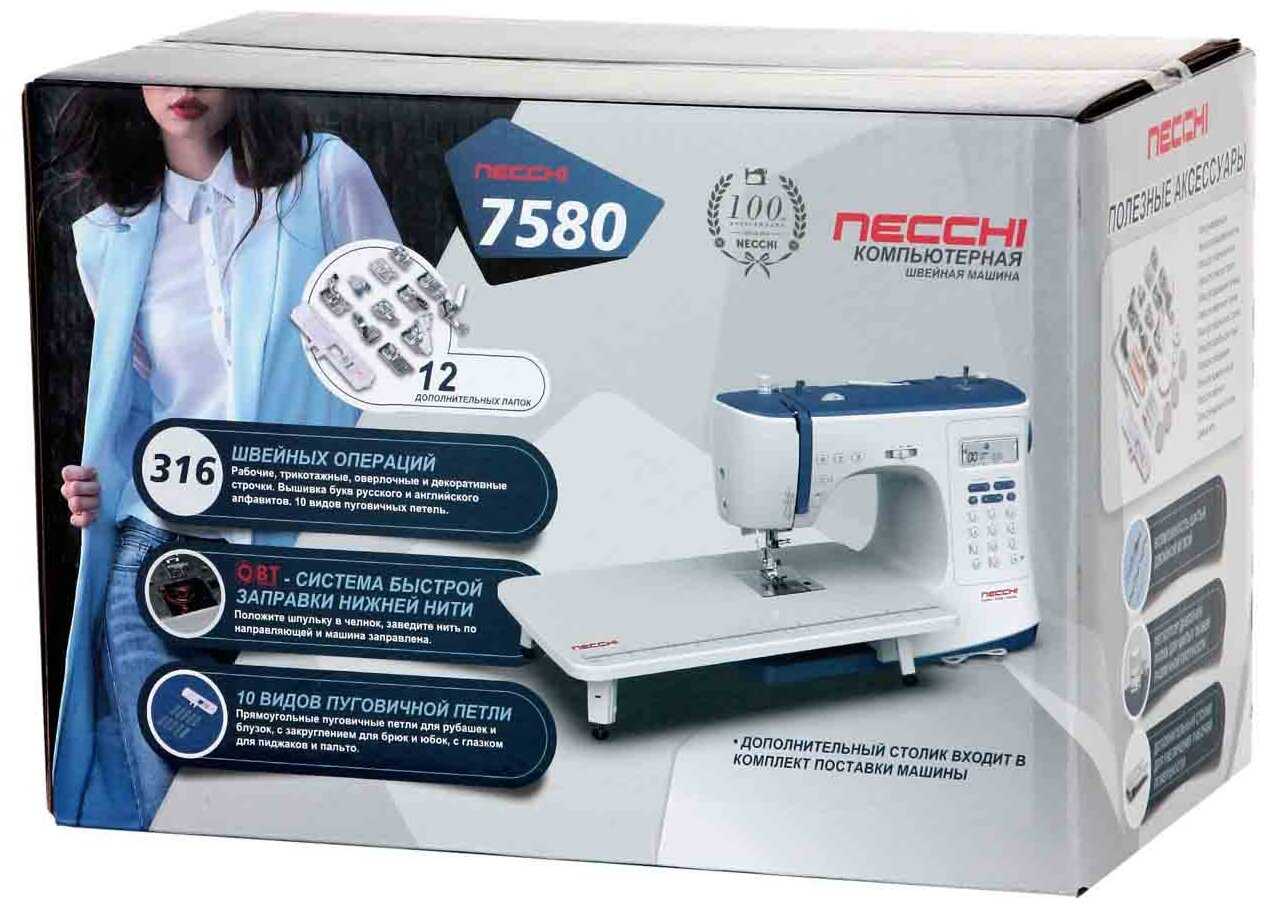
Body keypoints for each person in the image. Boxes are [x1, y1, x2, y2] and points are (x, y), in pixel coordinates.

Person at [49, 85, 399, 829]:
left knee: (304, 805)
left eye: (200, 66)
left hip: (304, 551)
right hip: (163, 551)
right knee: (165, 805)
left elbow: (406, 366)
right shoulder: (107, 234)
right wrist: (97, 484)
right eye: (159, 67)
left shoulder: (326, 176)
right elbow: (141, 408)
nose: (183, 88)